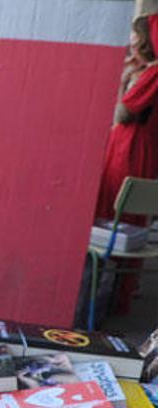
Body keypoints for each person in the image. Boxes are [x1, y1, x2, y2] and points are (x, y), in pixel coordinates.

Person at [94, 14, 158, 314]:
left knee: (114, 212)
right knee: (125, 216)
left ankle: (106, 291)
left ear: (145, 38)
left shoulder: (153, 73)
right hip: (134, 145)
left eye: (135, 34)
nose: (130, 39)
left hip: (129, 146)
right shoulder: (146, 70)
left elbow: (122, 113)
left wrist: (120, 82)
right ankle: (117, 291)